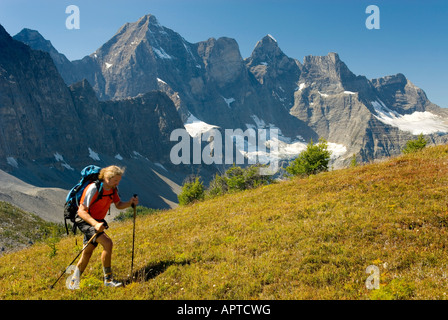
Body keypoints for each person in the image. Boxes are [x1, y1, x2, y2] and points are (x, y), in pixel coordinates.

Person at [68, 165, 138, 289]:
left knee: (87, 252)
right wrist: (95, 224)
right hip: (86, 221)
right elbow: (81, 211)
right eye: (116, 180)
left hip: (97, 222)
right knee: (108, 243)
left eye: (119, 180)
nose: (118, 182)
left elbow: (118, 205)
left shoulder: (113, 189)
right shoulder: (93, 188)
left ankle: (74, 281)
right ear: (107, 178)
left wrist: (129, 203)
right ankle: (108, 280)